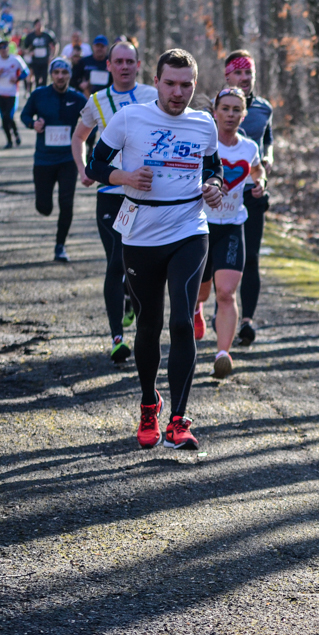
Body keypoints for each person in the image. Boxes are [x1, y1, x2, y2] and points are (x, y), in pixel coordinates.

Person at [86, 48, 224, 451]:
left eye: (186, 85)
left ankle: (178, 420)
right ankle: (150, 402)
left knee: (182, 322)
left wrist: (213, 186)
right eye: (170, 83)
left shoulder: (204, 124)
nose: (178, 93)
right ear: (157, 81)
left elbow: (213, 167)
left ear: (194, 85)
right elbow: (96, 164)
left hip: (189, 228)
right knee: (148, 324)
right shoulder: (130, 117)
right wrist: (125, 176)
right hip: (141, 233)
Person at [72, 40, 157, 363]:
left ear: (138, 65)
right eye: (118, 61)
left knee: (133, 265)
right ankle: (117, 338)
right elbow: (79, 138)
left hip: (145, 195)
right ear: (108, 66)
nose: (124, 67)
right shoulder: (97, 100)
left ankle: (129, 304)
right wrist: (84, 170)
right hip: (109, 194)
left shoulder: (153, 95)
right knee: (115, 262)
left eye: (129, 61)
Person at [195, 87, 266, 378]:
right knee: (200, 291)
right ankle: (198, 309)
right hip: (199, 226)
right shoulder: (203, 144)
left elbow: (257, 168)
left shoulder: (248, 147)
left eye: (237, 109)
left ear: (244, 114)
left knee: (225, 292)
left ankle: (222, 354)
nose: (231, 114)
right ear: (215, 111)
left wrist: (260, 183)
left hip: (232, 225)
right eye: (225, 108)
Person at [221, 49, 272, 346]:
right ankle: (218, 305)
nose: (244, 78)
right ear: (227, 75)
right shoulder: (218, 107)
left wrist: (268, 160)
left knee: (250, 257)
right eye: (238, 73)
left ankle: (247, 321)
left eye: (248, 73)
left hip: (252, 191)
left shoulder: (264, 109)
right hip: (220, 195)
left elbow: (269, 141)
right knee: (215, 262)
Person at [21, 57, 87, 261]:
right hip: (43, 159)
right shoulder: (39, 95)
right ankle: (44, 205)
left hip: (68, 159)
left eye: (64, 72)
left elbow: (92, 121)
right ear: (51, 74)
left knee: (66, 204)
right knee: (44, 207)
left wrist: (89, 144)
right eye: (56, 72)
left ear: (69, 75)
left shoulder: (77, 98)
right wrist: (34, 125)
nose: (60, 76)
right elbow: (25, 116)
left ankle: (60, 246)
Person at [0, 40, 27, 148]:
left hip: (12, 93)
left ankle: (16, 134)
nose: (3, 50)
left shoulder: (16, 59)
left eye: (5, 47)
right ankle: (9, 141)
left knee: (9, 116)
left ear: (8, 48)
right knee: (4, 119)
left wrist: (17, 78)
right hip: (1, 93)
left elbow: (26, 72)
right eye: (1, 48)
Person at [21, 20, 56, 89]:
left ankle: (44, 92)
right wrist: (29, 52)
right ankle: (35, 91)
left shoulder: (47, 35)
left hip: (45, 60)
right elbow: (23, 48)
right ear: (35, 26)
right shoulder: (30, 36)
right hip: (35, 61)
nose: (40, 27)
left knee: (44, 78)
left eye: (41, 25)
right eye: (38, 25)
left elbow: (55, 45)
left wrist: (52, 55)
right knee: (36, 78)